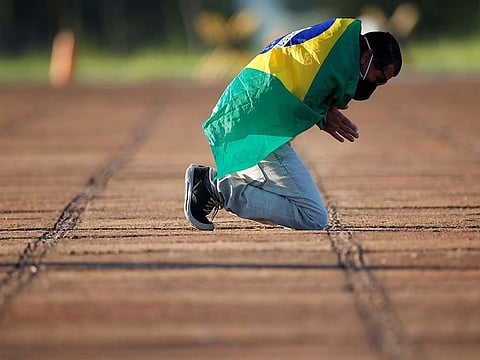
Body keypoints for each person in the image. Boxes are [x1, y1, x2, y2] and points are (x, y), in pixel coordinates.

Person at [184, 17, 402, 231]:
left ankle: (215, 186)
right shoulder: (327, 63)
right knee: (312, 216)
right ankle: (214, 188)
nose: (377, 84)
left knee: (290, 202)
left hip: (246, 118)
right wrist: (323, 115)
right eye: (380, 78)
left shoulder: (334, 45)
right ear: (366, 58)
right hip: (254, 129)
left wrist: (323, 113)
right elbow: (306, 89)